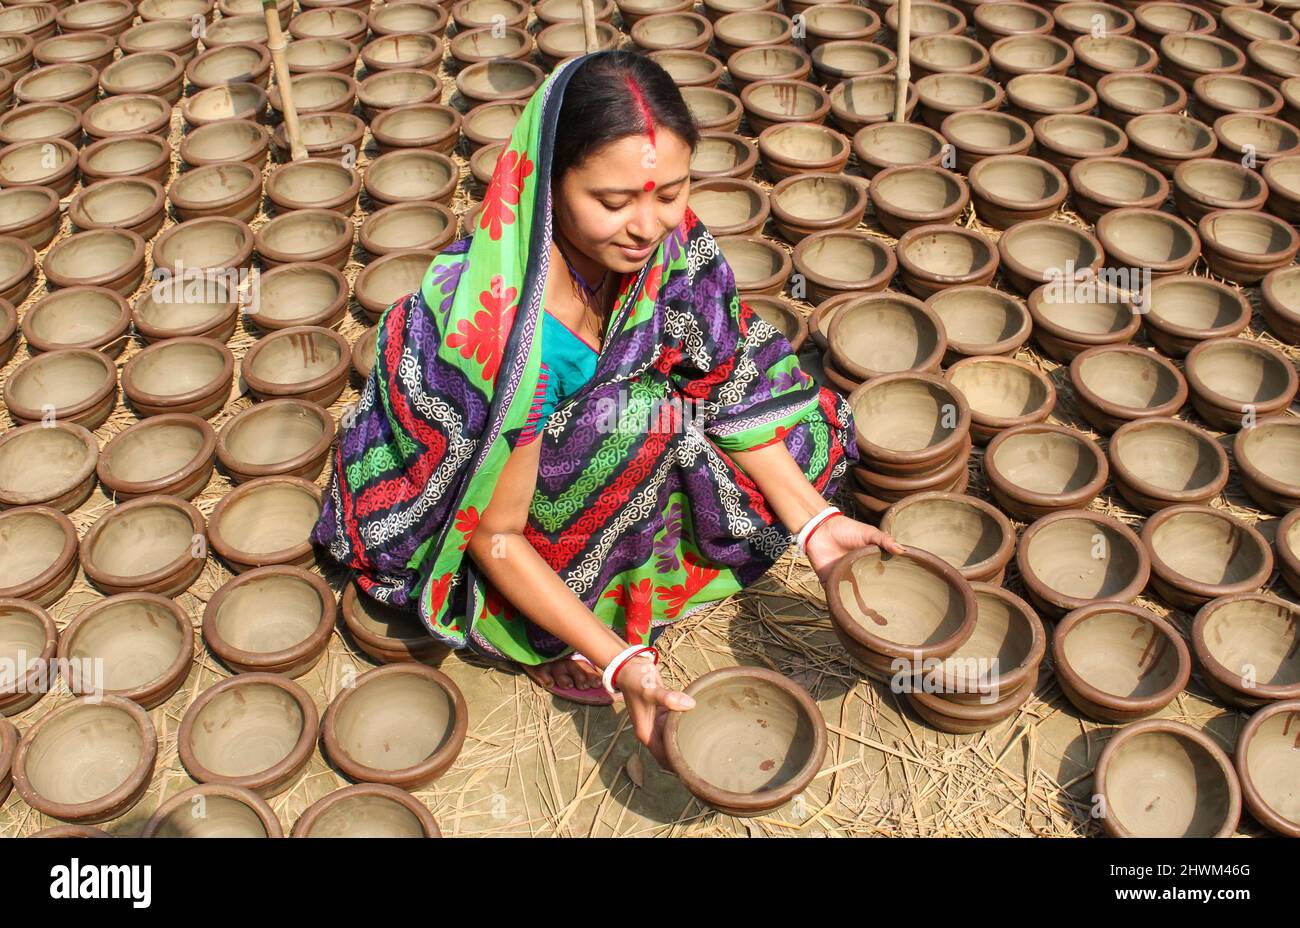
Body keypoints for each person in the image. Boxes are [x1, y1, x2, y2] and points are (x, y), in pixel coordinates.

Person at [314, 49, 902, 767]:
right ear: (548, 185)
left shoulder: (668, 244)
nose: (646, 226)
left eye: (670, 192)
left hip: (606, 411)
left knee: (777, 417)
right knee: (607, 486)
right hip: (492, 471)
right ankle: (536, 634)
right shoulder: (508, 339)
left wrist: (814, 523)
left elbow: (716, 378)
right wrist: (620, 660)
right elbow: (494, 536)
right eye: (614, 202)